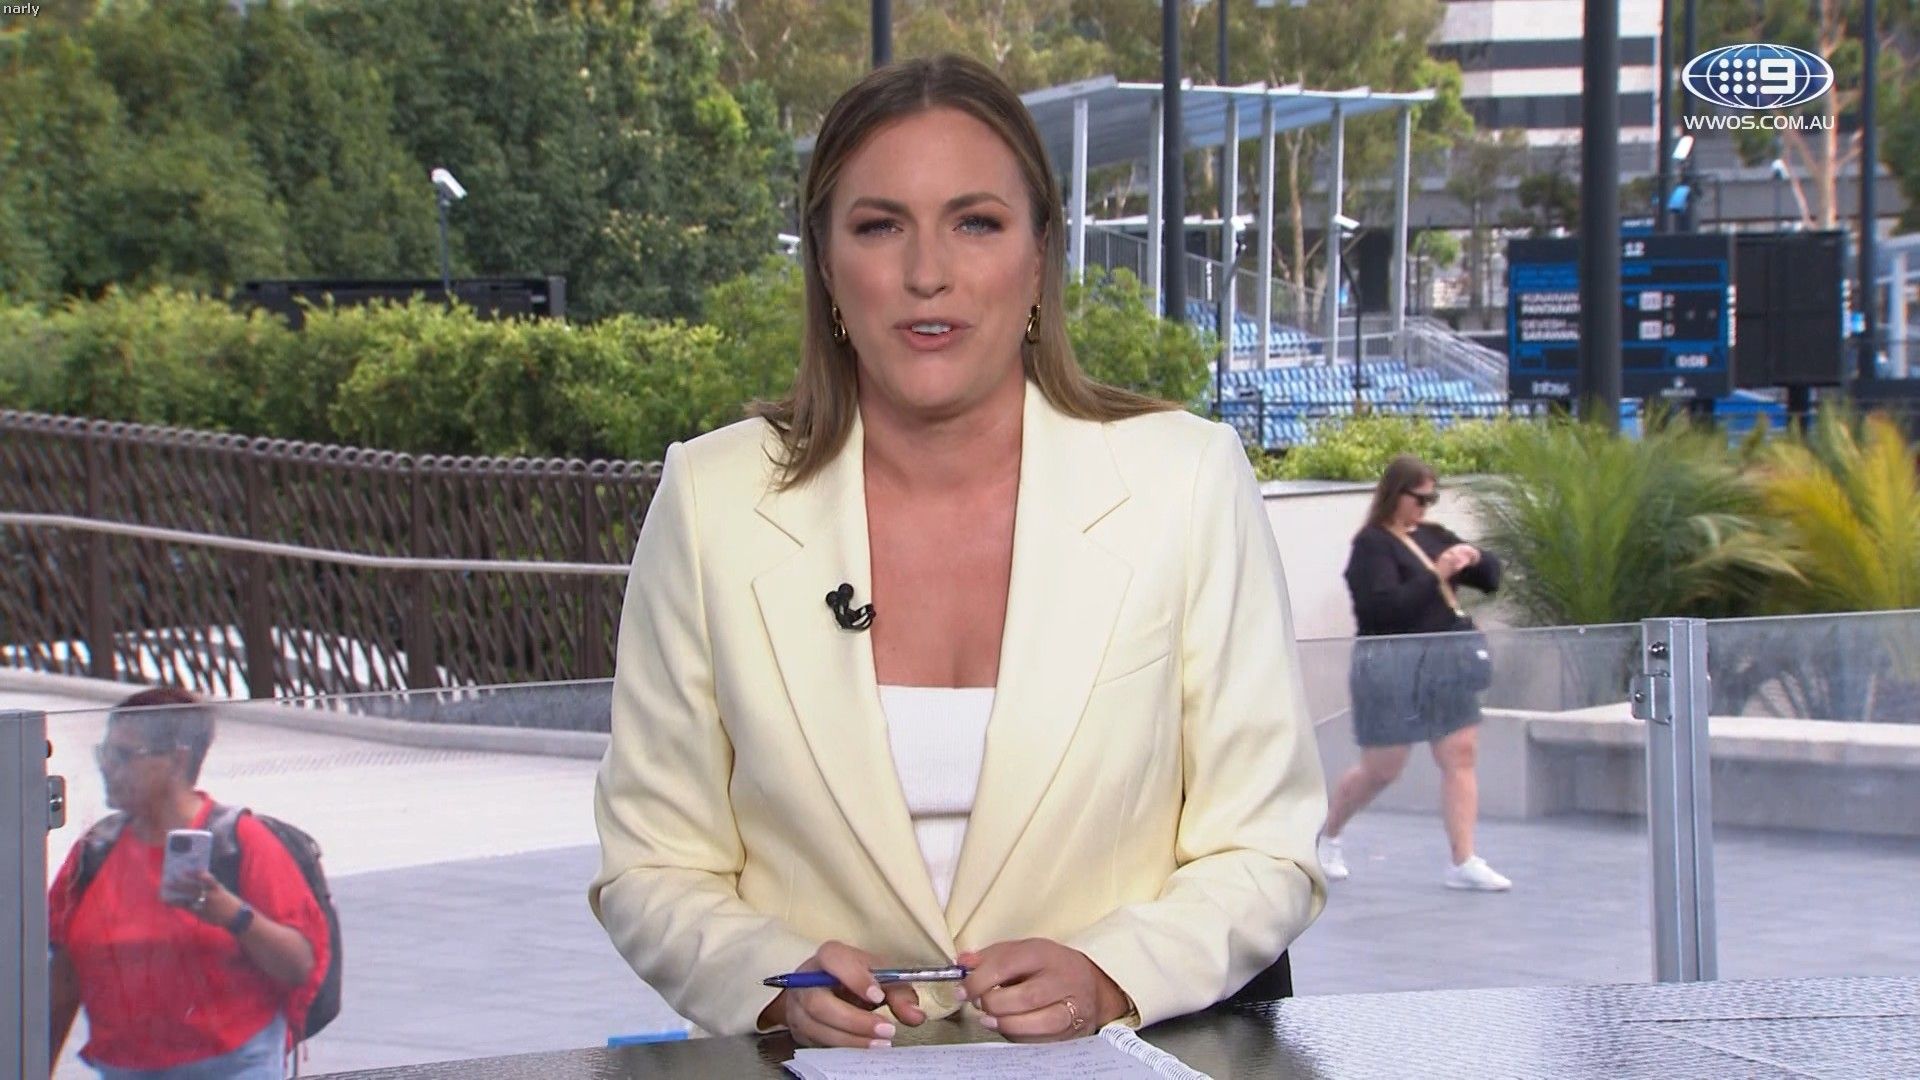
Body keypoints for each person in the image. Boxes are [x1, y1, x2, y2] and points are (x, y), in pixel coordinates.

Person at [589, 54, 1327, 1050]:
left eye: (975, 222)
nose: (926, 272)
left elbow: (1267, 846)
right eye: (879, 226)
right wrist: (773, 984)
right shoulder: (711, 497)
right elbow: (652, 863)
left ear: (1039, 255)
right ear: (826, 265)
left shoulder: (1185, 482)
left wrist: (1112, 973)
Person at [48, 688, 328, 1079]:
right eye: (105, 753)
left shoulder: (243, 842)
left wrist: (233, 915)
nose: (107, 768)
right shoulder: (94, 852)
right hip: (125, 1068)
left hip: (231, 1065)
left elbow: (299, 964)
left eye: (124, 755)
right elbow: (63, 976)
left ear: (178, 761)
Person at [1320, 455, 1511, 891]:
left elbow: (1491, 578)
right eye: (1419, 498)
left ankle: (1463, 859)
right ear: (1395, 494)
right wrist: (1435, 574)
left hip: (1444, 664)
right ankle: (1329, 833)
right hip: (1391, 667)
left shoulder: (1433, 535)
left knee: (1460, 752)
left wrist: (1475, 557)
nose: (1425, 507)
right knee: (1382, 768)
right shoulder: (1371, 546)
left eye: (1431, 499)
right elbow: (1383, 610)